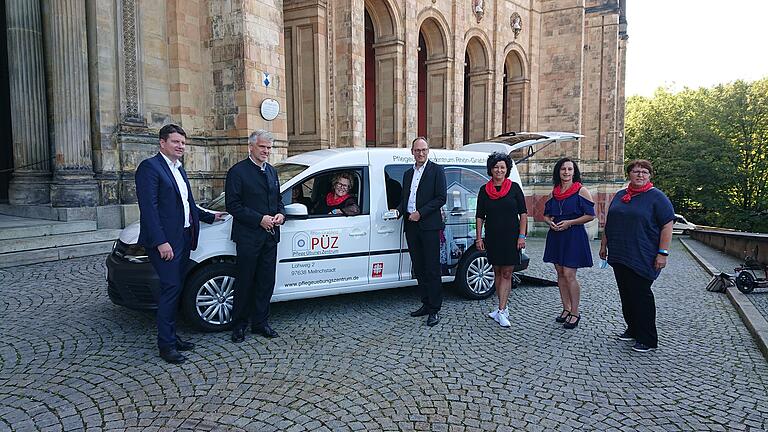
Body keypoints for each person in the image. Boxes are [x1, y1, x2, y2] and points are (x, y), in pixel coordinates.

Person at [135, 124, 224, 364]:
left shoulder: (179, 169)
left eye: (183, 143)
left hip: (184, 238)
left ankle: (173, 337)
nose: (180, 146)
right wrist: (161, 242)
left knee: (177, 288)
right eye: (175, 142)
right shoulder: (150, 168)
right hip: (166, 242)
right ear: (162, 143)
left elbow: (186, 204)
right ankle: (166, 345)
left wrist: (209, 216)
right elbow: (149, 209)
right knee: (170, 289)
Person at [599, 159, 674, 353]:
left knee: (641, 296)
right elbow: (610, 221)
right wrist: (604, 245)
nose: (640, 175)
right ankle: (632, 329)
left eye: (644, 172)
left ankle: (648, 338)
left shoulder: (657, 197)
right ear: (629, 174)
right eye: (636, 171)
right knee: (626, 294)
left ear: (649, 175)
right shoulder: (620, 195)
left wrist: (662, 253)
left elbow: (667, 225)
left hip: (643, 254)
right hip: (620, 253)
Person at [226, 130, 285, 343]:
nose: (266, 151)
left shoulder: (272, 171)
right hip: (248, 237)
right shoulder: (237, 172)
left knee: (265, 282)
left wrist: (281, 214)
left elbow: (278, 199)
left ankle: (261, 323)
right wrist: (259, 219)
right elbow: (233, 205)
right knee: (245, 282)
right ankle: (239, 325)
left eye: (269, 148)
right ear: (251, 147)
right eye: (263, 147)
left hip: (270, 237)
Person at [393, 137, 447, 326]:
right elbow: (404, 198)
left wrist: (420, 213)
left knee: (432, 269)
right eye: (417, 150)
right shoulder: (408, 173)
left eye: (423, 150)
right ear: (412, 152)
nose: (421, 153)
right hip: (411, 226)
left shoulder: (437, 170)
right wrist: (398, 211)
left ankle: (434, 310)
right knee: (419, 268)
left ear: (428, 151)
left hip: (429, 226)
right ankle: (425, 303)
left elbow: (441, 198)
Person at [475, 152, 528, 328]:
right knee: (497, 272)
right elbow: (479, 216)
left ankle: (502, 309)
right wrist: (478, 238)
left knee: (507, 273)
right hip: (493, 237)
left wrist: (522, 236)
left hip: (511, 238)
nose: (499, 170)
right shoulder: (484, 190)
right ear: (491, 169)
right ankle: (500, 308)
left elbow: (523, 214)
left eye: (502, 167)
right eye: (496, 167)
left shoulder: (514, 189)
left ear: (507, 169)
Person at [542, 158, 595, 329]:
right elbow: (546, 215)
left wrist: (570, 222)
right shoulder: (554, 193)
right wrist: (549, 222)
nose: (566, 172)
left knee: (569, 274)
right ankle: (566, 308)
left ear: (574, 172)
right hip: (557, 235)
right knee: (559, 273)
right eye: (563, 169)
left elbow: (590, 215)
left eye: (570, 169)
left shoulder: (581, 191)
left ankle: (575, 312)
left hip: (573, 235)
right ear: (558, 172)